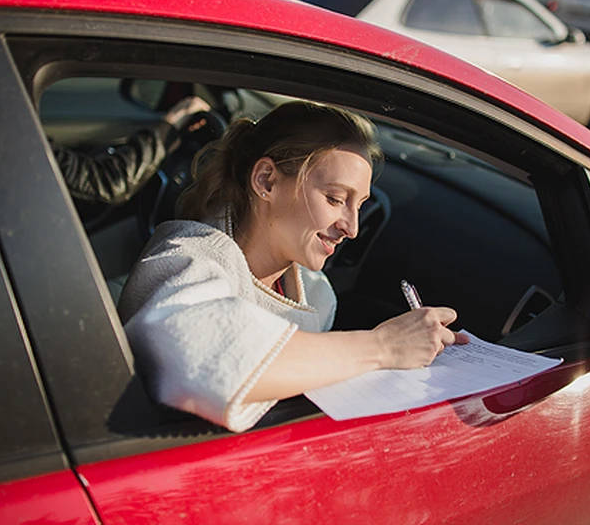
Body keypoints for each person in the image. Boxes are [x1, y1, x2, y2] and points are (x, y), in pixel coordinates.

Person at [118, 101, 468, 432]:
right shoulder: (187, 257)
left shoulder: (316, 293)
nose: (352, 227)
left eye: (359, 205)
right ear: (266, 180)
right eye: (334, 199)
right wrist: (384, 347)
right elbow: (207, 360)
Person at [52, 96, 209, 205]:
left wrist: (171, 136)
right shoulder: (30, 152)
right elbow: (108, 183)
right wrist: (169, 126)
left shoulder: (30, 146)